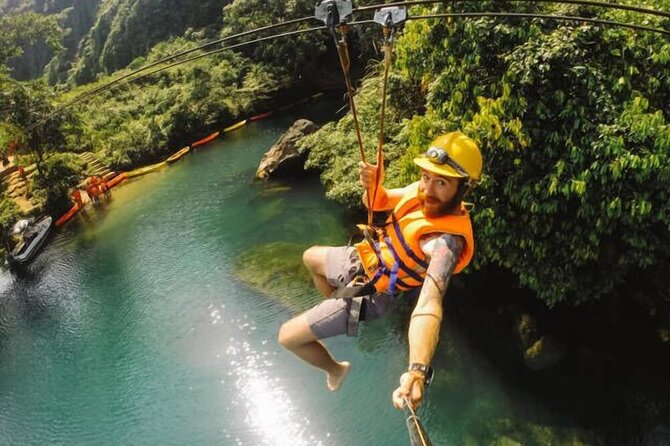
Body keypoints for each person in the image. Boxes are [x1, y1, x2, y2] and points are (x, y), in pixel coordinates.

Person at [278, 131, 483, 410]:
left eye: (442, 182)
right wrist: (373, 186)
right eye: (426, 177)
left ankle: (335, 368)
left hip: (374, 292)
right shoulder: (421, 190)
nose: (428, 189)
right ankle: (334, 310)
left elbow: (429, 305)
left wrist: (417, 370)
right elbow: (377, 202)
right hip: (364, 258)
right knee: (310, 256)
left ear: (464, 188)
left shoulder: (444, 242)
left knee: (288, 337)